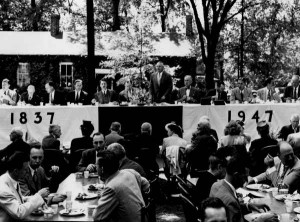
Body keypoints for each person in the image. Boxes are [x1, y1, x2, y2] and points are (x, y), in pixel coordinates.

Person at [93, 150, 150, 222]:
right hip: (142, 218)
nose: (95, 167)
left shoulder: (111, 188)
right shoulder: (130, 172)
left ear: (102, 169)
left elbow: (98, 217)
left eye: (96, 165)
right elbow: (146, 184)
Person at [210, 155, 270, 222]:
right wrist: (261, 220)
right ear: (236, 175)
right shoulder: (230, 201)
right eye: (245, 176)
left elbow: (230, 208)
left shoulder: (215, 185)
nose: (246, 180)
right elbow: (230, 205)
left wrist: (248, 205)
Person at [0, 151, 47, 221]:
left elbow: (19, 199)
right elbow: (19, 212)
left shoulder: (11, 178)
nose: (27, 171)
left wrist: (39, 201)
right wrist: (38, 196)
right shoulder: (3, 188)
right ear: (16, 171)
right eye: (25, 170)